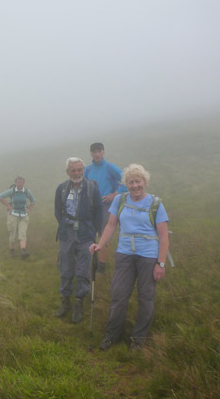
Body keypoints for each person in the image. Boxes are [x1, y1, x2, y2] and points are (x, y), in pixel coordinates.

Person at [89, 164, 169, 350]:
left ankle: (138, 339)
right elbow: (110, 225)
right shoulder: (120, 200)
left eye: (138, 181)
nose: (135, 186)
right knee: (118, 295)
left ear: (145, 182)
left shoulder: (155, 204)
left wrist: (161, 263)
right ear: (126, 184)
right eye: (131, 182)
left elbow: (164, 236)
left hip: (148, 255)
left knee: (146, 297)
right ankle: (112, 336)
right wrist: (100, 244)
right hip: (125, 253)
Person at [54, 158, 103, 323]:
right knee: (65, 268)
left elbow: (98, 212)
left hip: (85, 234)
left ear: (83, 170)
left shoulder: (92, 188)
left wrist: (93, 232)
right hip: (66, 234)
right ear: (68, 172)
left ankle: (78, 301)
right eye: (73, 170)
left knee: (82, 270)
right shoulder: (61, 189)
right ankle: (65, 301)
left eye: (79, 170)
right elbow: (57, 211)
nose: (76, 173)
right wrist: (65, 225)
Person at [84, 142, 126, 267]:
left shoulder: (109, 167)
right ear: (91, 153)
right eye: (94, 152)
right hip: (90, 208)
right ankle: (90, 260)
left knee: (104, 234)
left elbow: (126, 180)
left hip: (106, 207)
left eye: (99, 151)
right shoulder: (88, 169)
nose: (97, 154)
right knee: (89, 234)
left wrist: (114, 195)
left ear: (103, 152)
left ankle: (101, 265)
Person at [0, 176, 36, 259]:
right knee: (13, 233)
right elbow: (0, 196)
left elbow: (33, 200)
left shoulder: (26, 191)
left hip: (24, 215)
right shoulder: (12, 191)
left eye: (22, 182)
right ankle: (12, 250)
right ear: (15, 183)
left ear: (24, 183)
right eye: (18, 182)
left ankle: (23, 251)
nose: (20, 184)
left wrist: (29, 208)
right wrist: (8, 206)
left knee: (22, 233)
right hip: (13, 214)